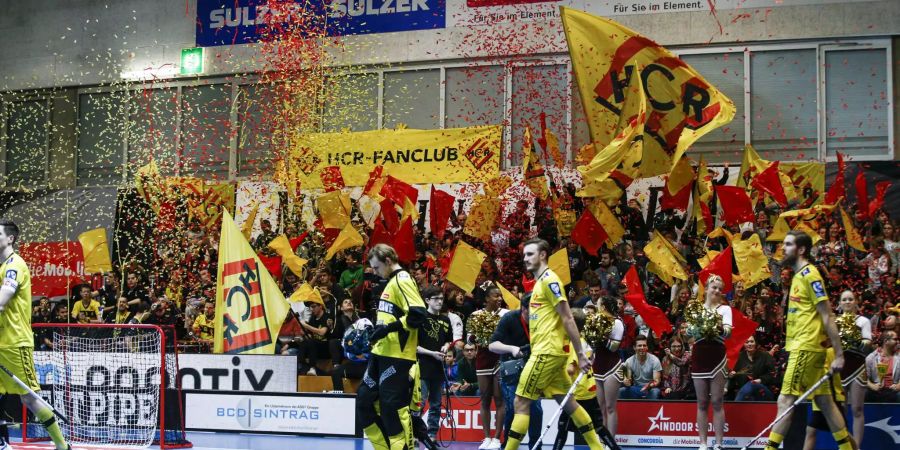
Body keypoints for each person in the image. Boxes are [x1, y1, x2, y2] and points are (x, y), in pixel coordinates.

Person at [503, 238, 604, 450]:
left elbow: (567, 317)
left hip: (545, 353)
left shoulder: (550, 280)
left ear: (542, 255)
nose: (525, 258)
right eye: (524, 255)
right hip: (552, 355)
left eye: (530, 254)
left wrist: (581, 354)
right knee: (568, 403)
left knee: (521, 402)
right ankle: (597, 447)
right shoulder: (541, 282)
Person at [764, 231, 853, 450]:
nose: (783, 248)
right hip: (805, 347)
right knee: (824, 402)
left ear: (801, 249)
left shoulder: (810, 275)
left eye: (788, 244)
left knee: (785, 400)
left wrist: (839, 355)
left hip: (807, 348)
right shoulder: (797, 276)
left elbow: (827, 314)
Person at [0, 219, 71, 450]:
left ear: (10, 238)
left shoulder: (15, 264)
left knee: (29, 397)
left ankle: (62, 446)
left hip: (14, 342)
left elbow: (3, 299)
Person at [357, 244, 427, 450]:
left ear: (388, 261)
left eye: (377, 268)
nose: (375, 273)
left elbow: (418, 314)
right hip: (380, 353)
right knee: (363, 403)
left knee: (392, 410)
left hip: (397, 355)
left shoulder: (402, 279)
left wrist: (388, 329)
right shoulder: (389, 283)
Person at [488, 296, 543, 449]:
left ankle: (536, 446)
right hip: (511, 371)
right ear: (524, 309)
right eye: (532, 311)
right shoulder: (509, 318)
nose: (536, 315)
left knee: (536, 409)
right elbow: (492, 345)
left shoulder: (541, 318)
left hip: (533, 369)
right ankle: (508, 445)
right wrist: (511, 349)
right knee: (513, 409)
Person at [691, 274, 733, 450]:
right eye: (714, 287)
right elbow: (691, 333)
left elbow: (728, 333)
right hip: (700, 356)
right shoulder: (696, 309)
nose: (716, 291)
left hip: (717, 357)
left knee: (717, 401)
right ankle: (702, 443)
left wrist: (716, 327)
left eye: (719, 289)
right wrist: (692, 330)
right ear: (706, 288)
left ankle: (719, 443)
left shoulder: (725, 310)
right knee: (701, 403)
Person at [468, 284, 508, 450]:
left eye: (500, 296)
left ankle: (497, 439)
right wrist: (477, 336)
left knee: (499, 399)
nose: (499, 299)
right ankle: (486, 438)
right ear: (486, 299)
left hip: (500, 359)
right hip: (483, 359)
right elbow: (470, 339)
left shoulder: (506, 314)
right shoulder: (476, 315)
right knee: (484, 400)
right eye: (495, 296)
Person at [415, 286, 452, 440]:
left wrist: (446, 346)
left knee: (436, 404)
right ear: (427, 300)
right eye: (436, 298)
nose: (439, 301)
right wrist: (432, 353)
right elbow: (414, 346)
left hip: (438, 368)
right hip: (422, 367)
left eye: (441, 298)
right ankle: (416, 435)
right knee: (419, 403)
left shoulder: (445, 320)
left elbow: (449, 339)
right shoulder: (420, 318)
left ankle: (432, 435)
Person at [837, 290, 872, 446]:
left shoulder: (863, 321)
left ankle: (857, 446)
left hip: (857, 367)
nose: (847, 302)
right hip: (840, 368)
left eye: (851, 299)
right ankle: (845, 445)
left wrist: (855, 341)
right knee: (841, 410)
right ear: (839, 303)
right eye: (844, 299)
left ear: (856, 302)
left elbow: (868, 342)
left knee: (857, 409)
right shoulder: (835, 322)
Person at [591, 296, 625, 435]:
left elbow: (614, 347)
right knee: (601, 407)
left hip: (612, 367)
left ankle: (611, 442)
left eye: (598, 305)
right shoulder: (595, 321)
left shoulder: (617, 323)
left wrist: (602, 336)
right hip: (597, 367)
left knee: (610, 407)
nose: (597, 307)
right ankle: (602, 441)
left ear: (604, 307)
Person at [728, 335, 775, 401]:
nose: (749, 344)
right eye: (747, 342)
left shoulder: (765, 356)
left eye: (751, 341)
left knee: (752, 384)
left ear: (755, 343)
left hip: (762, 390)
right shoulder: (739, 357)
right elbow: (734, 372)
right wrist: (731, 375)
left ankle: (736, 405)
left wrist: (760, 380)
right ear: (743, 344)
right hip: (744, 392)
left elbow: (772, 374)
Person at [619, 335, 661, 400]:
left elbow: (657, 381)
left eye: (644, 345)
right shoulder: (629, 361)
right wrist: (626, 381)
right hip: (636, 388)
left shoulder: (655, 360)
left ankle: (652, 410)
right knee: (621, 391)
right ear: (634, 347)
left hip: (650, 388)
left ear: (647, 347)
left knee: (655, 392)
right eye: (639, 345)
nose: (642, 347)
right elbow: (627, 379)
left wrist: (649, 386)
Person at [864, 330, 899, 402]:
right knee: (866, 394)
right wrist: (873, 386)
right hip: (876, 391)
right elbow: (864, 378)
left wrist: (899, 385)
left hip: (894, 391)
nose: (898, 342)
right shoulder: (871, 358)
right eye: (895, 339)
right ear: (886, 341)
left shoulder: (899, 357)